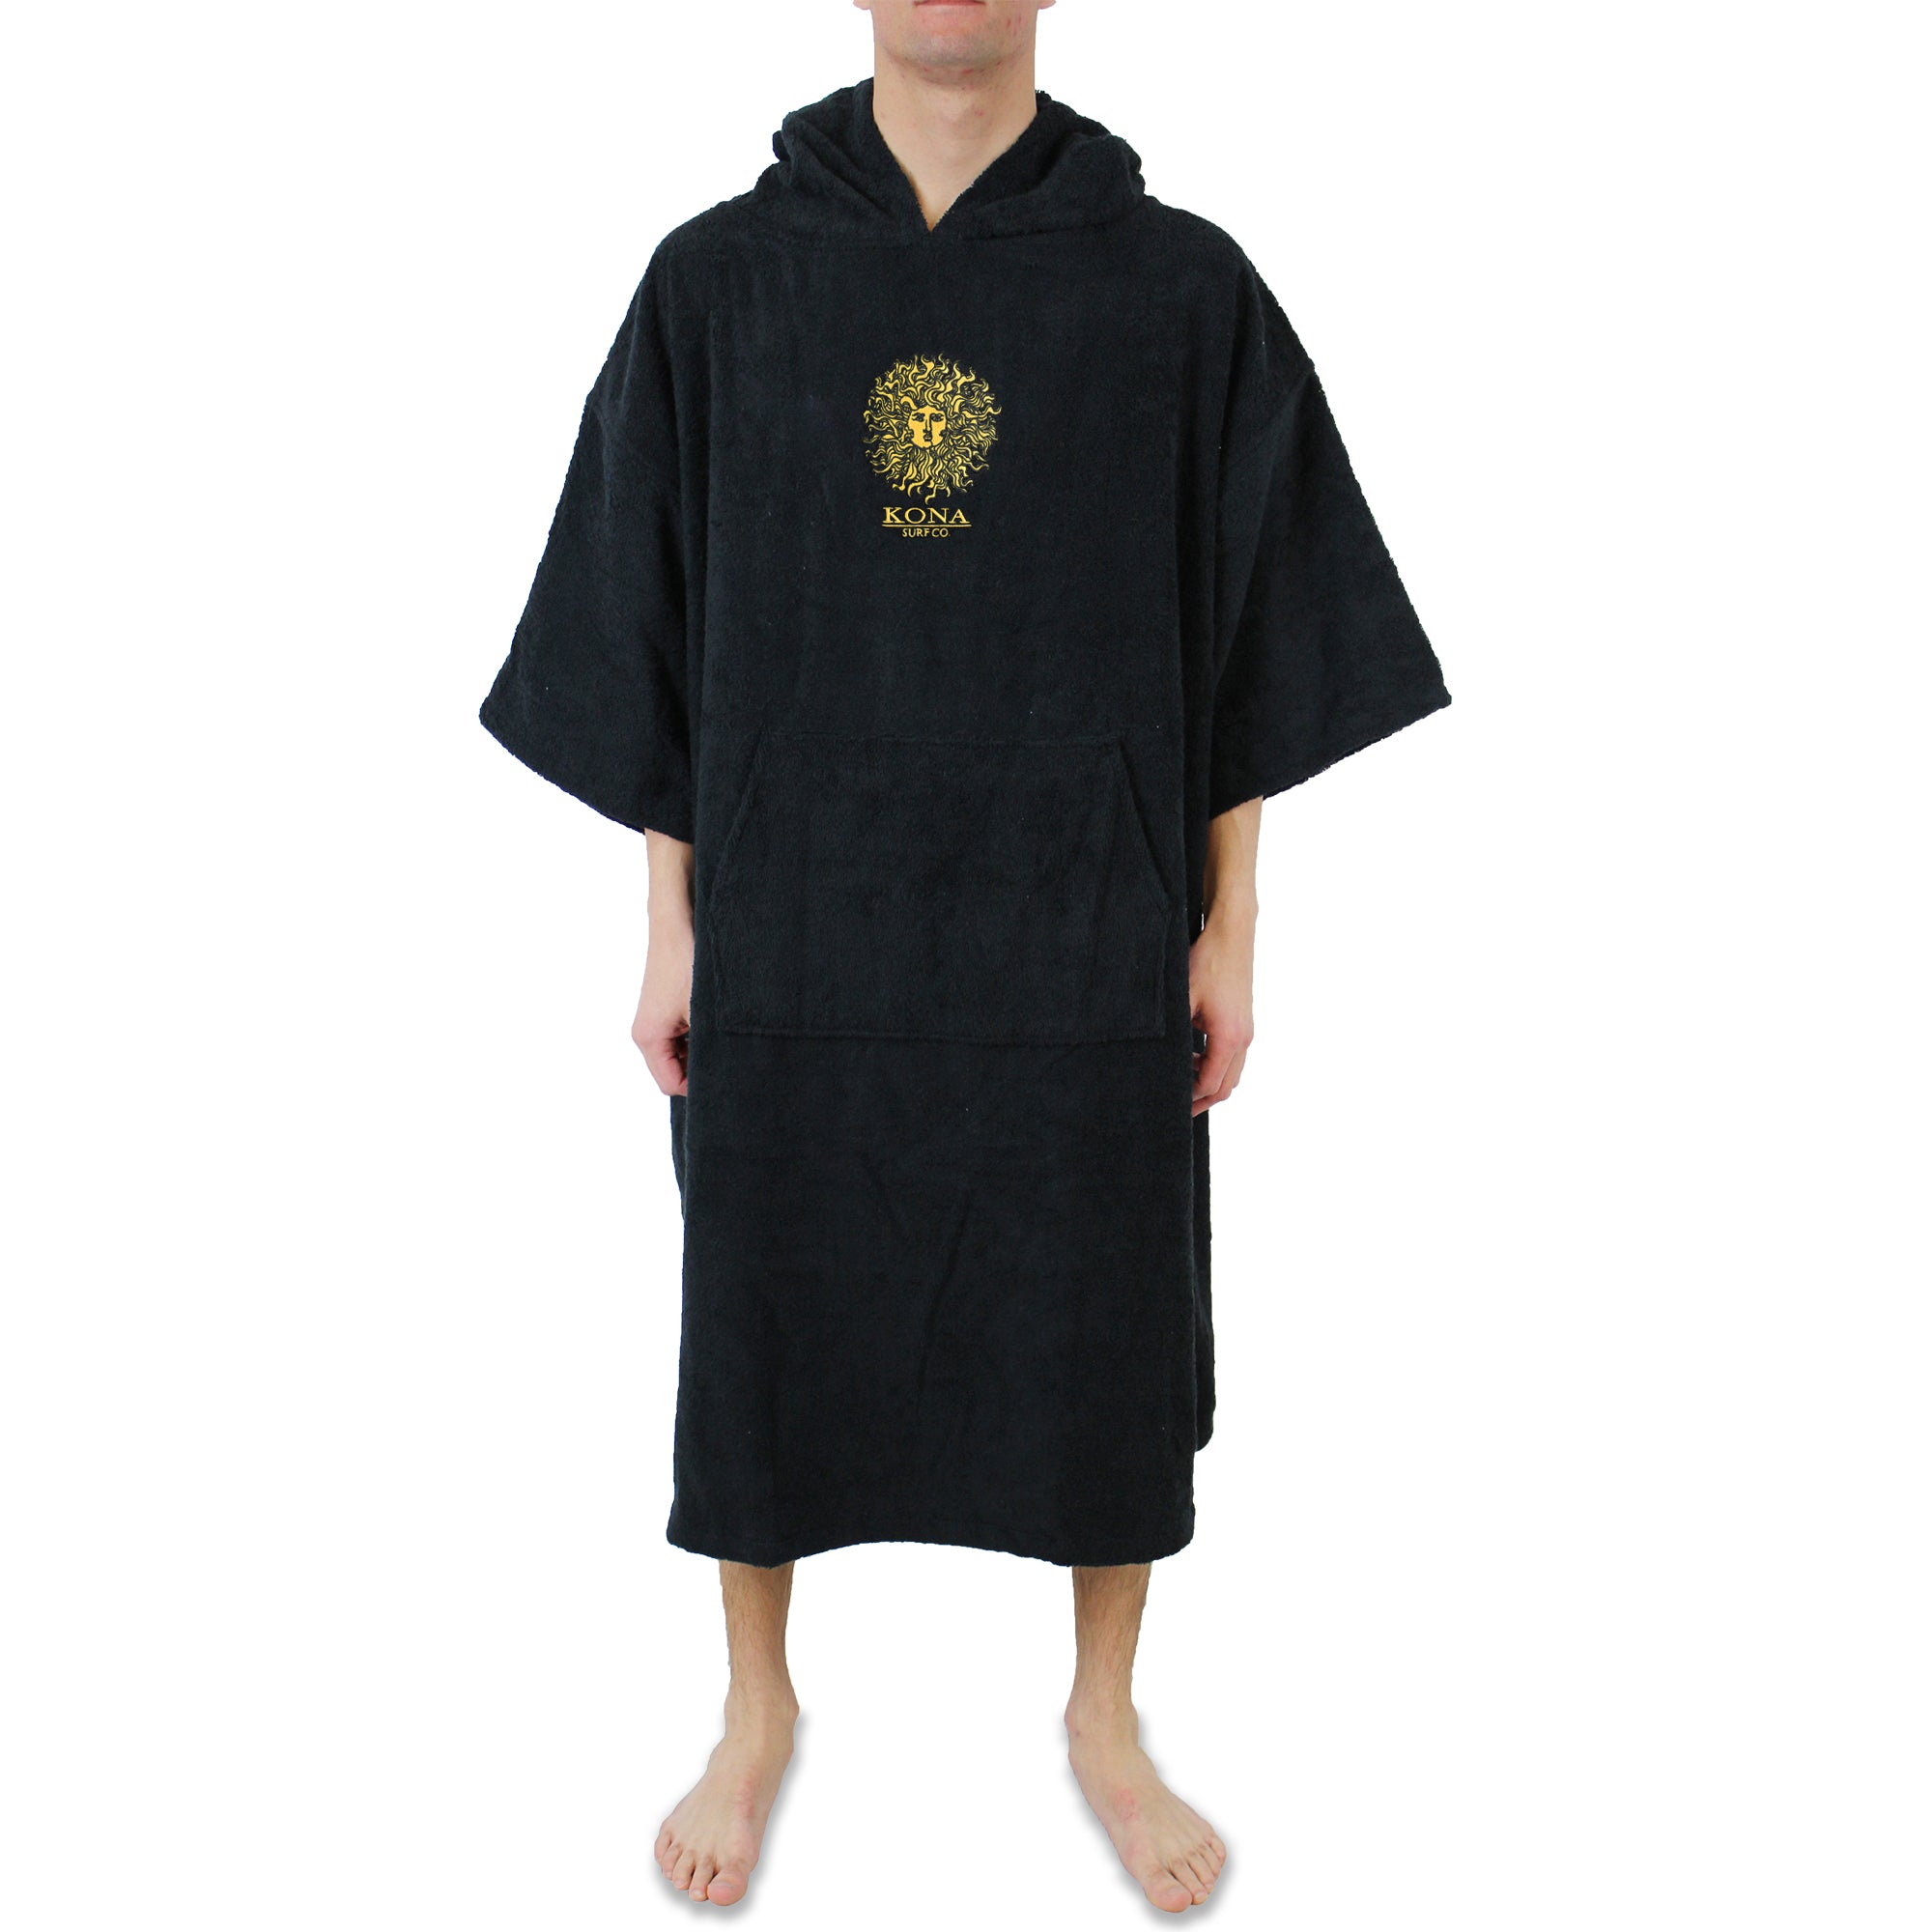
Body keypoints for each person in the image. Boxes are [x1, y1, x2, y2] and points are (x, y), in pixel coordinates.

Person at [479, 0, 1449, 1911]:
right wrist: (669, 923)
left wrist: (1231, 923)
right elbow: (651, 621)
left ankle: (1104, 1712)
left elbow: (1249, 624)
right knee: (763, 1304)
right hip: (797, 921)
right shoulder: (718, 284)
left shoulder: (1177, 288)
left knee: (1103, 1309)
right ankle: (755, 1703)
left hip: (1078, 923)